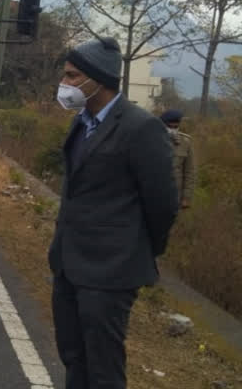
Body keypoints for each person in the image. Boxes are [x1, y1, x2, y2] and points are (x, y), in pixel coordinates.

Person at [49, 37, 180, 389]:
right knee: (74, 356)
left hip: (110, 271)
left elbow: (163, 203)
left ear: (99, 80)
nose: (66, 84)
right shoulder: (82, 121)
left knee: (103, 366)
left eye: (73, 76)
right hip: (69, 264)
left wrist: (138, 249)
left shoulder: (141, 128)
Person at [160, 109, 195, 210]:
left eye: (176, 127)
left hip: (175, 196)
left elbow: (190, 172)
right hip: (154, 194)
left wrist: (186, 197)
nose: (173, 129)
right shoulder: (152, 140)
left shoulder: (186, 142)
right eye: (169, 127)